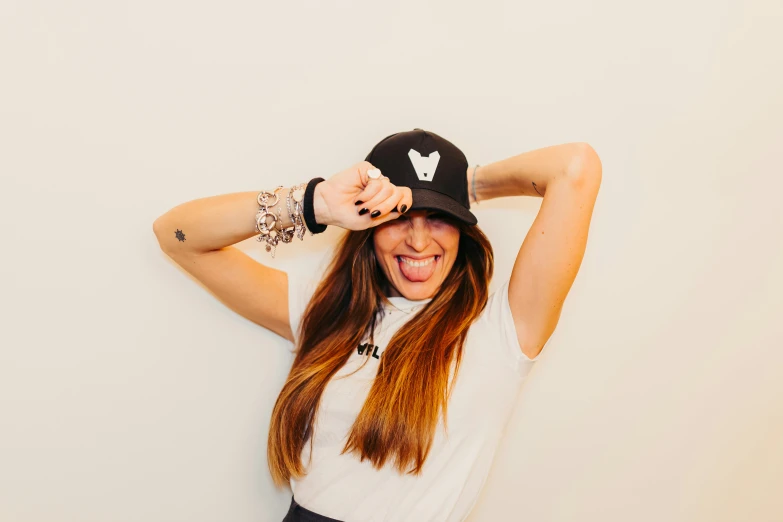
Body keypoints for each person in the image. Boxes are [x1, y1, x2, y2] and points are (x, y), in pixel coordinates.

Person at [153, 128, 602, 521]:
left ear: (463, 229)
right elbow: (178, 236)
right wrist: (317, 203)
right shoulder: (326, 310)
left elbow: (575, 167)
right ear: (369, 221)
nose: (420, 240)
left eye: (440, 217)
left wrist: (461, 185)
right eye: (400, 216)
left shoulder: (502, 330)